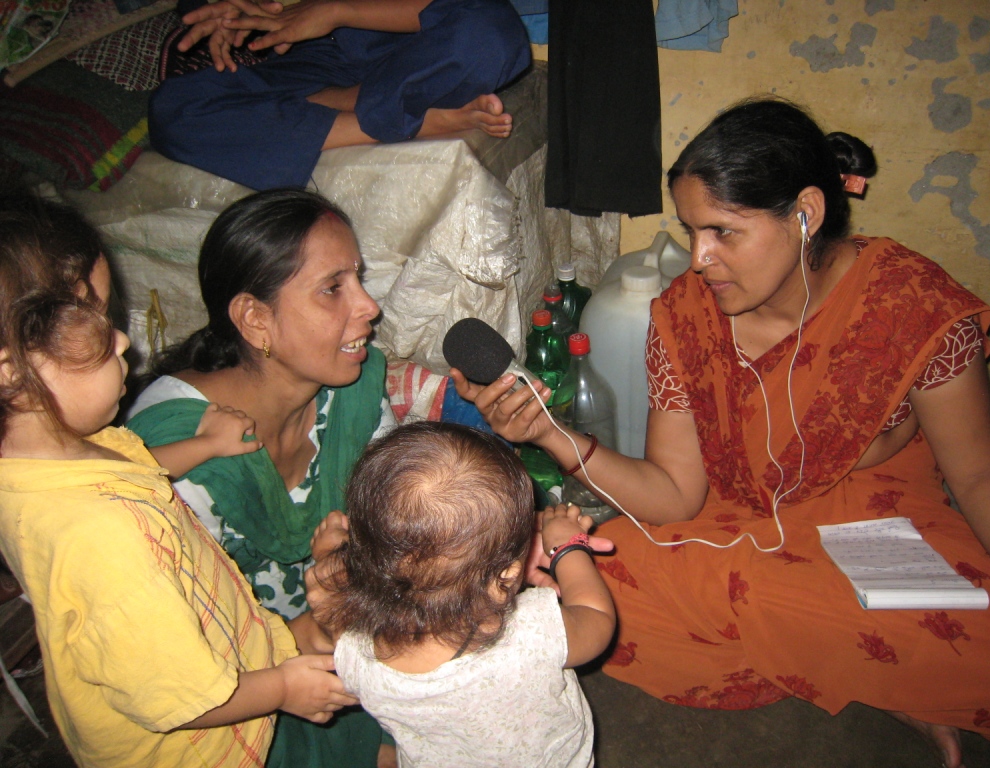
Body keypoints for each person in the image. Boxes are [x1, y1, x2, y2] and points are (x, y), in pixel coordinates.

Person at [451, 97, 990, 768]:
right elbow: (674, 497)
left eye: (724, 231)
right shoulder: (685, 316)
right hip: (731, 516)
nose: (698, 259)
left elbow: (983, 474)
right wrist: (553, 437)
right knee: (593, 584)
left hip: (875, 513)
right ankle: (875, 675)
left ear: (805, 215)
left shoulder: (910, 304)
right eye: (692, 231)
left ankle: (865, 668)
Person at [0, 199, 352, 767]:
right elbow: (182, 698)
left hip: (221, 648)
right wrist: (284, 689)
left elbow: (135, 464)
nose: (121, 342)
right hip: (197, 748)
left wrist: (204, 446)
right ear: (9, 370)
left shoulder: (41, 460)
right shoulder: (103, 539)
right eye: (91, 325)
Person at [126, 187, 399, 768]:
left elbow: (389, 524)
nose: (369, 306)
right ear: (255, 319)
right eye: (334, 288)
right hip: (232, 698)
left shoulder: (354, 394)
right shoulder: (172, 462)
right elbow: (173, 664)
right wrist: (318, 627)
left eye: (359, 278)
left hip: (342, 637)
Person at [309, 421, 615, 767]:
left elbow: (337, 607)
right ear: (508, 575)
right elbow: (597, 620)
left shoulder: (355, 653)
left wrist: (328, 559)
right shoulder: (528, 632)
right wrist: (567, 547)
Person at [148, 0, 531, 190]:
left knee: (492, 33)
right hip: (313, 58)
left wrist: (336, 10)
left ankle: (350, 104)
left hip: (415, 46)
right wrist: (235, 13)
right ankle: (415, 118)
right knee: (174, 109)